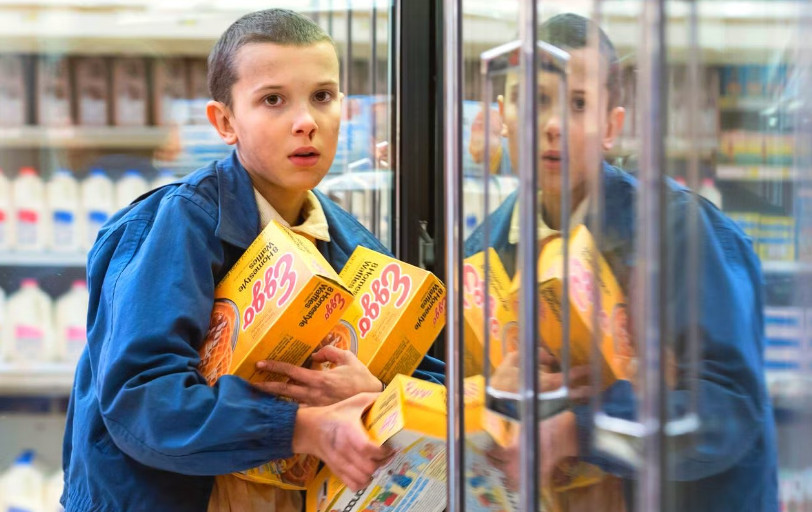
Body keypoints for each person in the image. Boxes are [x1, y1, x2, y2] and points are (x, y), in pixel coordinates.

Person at [61, 9, 444, 512]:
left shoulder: (357, 247)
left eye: (322, 97)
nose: (306, 122)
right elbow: (142, 401)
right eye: (272, 100)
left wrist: (378, 390)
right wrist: (302, 427)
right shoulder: (178, 226)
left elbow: (433, 379)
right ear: (225, 122)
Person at [465, 13, 777, 511]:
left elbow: (730, 410)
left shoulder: (680, 232)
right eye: (535, 100)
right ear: (504, 114)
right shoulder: (484, 251)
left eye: (578, 104)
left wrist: (578, 429)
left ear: (613, 126)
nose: (552, 125)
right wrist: (490, 395)